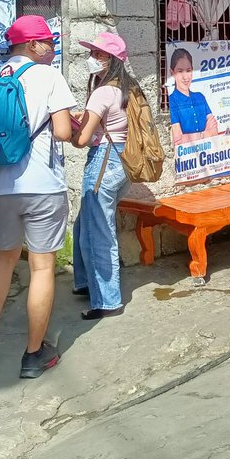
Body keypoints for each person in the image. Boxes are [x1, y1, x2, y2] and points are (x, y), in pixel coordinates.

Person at [0, 15, 75, 380]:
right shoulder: (49, 76)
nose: (53, 49)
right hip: (43, 185)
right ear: (32, 45)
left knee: (2, 261)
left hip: (1, 186)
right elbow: (61, 132)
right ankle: (33, 354)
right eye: (49, 43)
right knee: (41, 266)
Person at [71, 33, 132, 320]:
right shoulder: (129, 89)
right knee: (85, 224)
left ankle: (107, 301)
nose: (93, 58)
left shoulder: (103, 92)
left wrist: (71, 130)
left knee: (99, 235)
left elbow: (82, 139)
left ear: (112, 60)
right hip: (122, 162)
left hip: (103, 162)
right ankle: (86, 283)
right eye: (93, 52)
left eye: (99, 54)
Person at [167, 47, 218, 145]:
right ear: (172, 73)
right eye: (180, 71)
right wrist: (205, 134)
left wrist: (191, 137)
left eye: (188, 70)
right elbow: (178, 140)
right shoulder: (172, 100)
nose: (185, 77)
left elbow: (215, 131)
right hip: (187, 157)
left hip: (207, 153)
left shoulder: (200, 97)